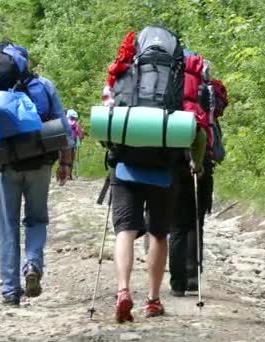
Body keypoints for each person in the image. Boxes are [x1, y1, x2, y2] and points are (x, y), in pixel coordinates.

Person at [102, 27, 208, 322]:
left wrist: (111, 147)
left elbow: (107, 118)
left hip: (125, 167)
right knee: (159, 233)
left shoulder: (126, 71)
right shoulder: (180, 78)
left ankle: (123, 291)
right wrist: (196, 164)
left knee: (124, 230)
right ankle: (152, 299)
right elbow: (198, 132)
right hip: (164, 167)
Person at [0, 43, 73, 306]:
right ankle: (32, 264)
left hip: (5, 167)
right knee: (37, 219)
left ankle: (9, 291)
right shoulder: (43, 87)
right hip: (40, 165)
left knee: (8, 226)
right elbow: (64, 130)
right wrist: (65, 164)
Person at [168, 52, 211, 297]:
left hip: (168, 160)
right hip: (198, 159)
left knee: (175, 226)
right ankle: (193, 276)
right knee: (195, 220)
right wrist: (199, 161)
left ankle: (177, 284)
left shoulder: (162, 90)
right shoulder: (205, 89)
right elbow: (207, 127)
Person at [66, 109, 84, 179]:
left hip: (64, 143)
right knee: (71, 158)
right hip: (73, 143)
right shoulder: (76, 124)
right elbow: (80, 134)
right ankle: (69, 174)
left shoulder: (65, 122)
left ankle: (64, 174)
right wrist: (81, 139)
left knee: (64, 158)